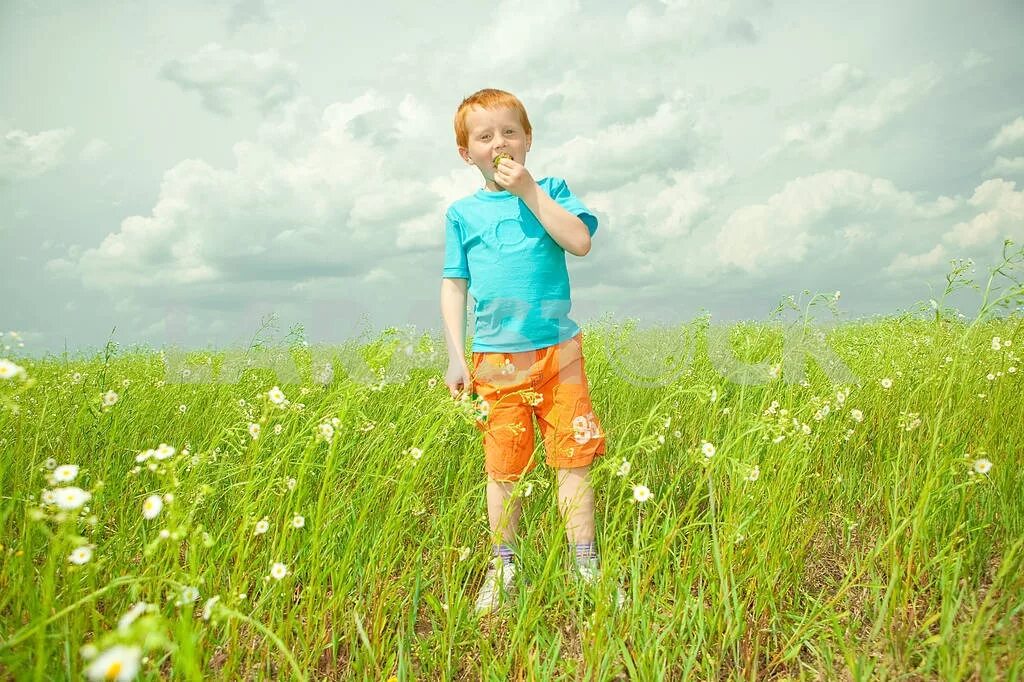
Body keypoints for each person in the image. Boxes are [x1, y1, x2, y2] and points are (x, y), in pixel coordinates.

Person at [440, 88, 623, 616]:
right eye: (485, 136)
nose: (500, 142)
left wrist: (529, 193)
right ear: (466, 152)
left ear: (528, 140)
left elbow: (580, 242)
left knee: (574, 462)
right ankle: (504, 566)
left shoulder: (552, 190)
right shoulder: (461, 214)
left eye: (510, 132)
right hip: (495, 361)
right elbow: (455, 286)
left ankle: (585, 565)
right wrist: (457, 356)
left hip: (559, 355)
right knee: (503, 469)